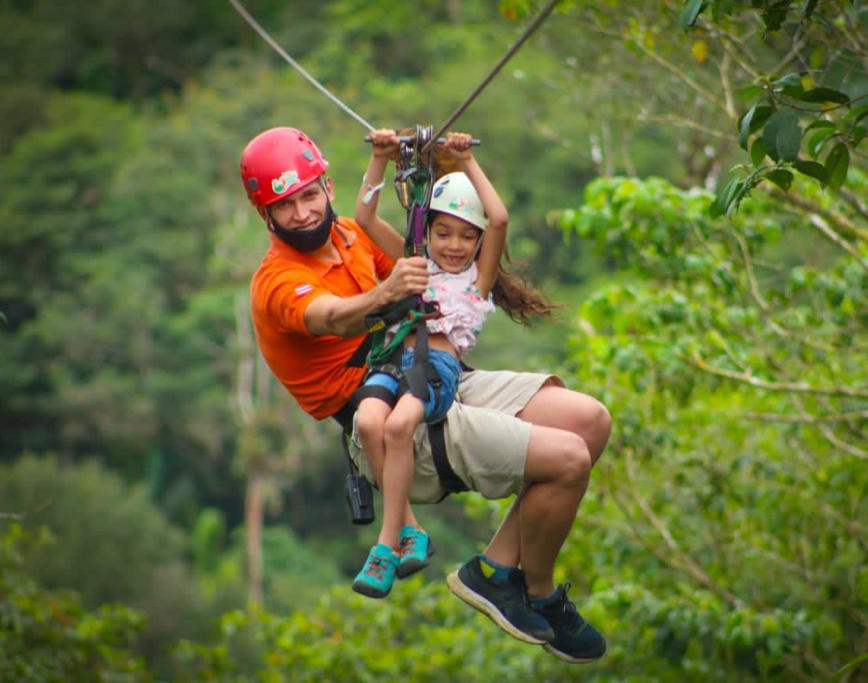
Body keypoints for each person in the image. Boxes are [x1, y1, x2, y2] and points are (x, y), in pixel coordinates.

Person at [242, 126, 611, 663]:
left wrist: (432, 159)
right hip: (389, 419)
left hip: (437, 373)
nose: (301, 213)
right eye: (285, 206)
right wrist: (386, 293)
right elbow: (333, 319)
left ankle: (494, 572)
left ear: (326, 185)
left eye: (308, 195)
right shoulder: (277, 281)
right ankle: (540, 593)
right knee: (569, 460)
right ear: (266, 216)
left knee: (591, 421)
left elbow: (440, 251)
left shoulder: (350, 234)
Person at [348, 131, 557, 600]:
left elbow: (499, 217)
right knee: (366, 421)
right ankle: (411, 531)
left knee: (400, 425)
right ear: (426, 233)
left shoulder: (476, 283)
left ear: (479, 243)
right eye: (443, 233)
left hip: (437, 370)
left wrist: (464, 161)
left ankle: (387, 544)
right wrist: (379, 159)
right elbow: (363, 216)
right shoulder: (414, 261)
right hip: (395, 360)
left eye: (467, 236)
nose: (455, 245)